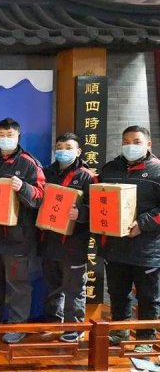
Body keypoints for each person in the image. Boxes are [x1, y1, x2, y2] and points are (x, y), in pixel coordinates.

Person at [0, 117, 45, 344]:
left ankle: (17, 325)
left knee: (18, 284)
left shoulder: (29, 163)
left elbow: (40, 197)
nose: (5, 139)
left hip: (18, 238)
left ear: (18, 136)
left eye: (10, 135)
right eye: (2, 135)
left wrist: (23, 187)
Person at [98, 126, 160, 353]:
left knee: (148, 296)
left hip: (147, 248)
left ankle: (145, 337)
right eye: (126, 141)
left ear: (148, 144)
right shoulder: (110, 169)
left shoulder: (157, 171)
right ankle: (120, 329)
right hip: (115, 246)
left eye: (136, 141)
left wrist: (143, 224)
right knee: (118, 292)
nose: (130, 146)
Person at [40, 133, 96, 343]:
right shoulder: (47, 173)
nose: (63, 151)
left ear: (78, 151)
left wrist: (81, 213)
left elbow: (98, 207)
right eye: (60, 147)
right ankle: (54, 321)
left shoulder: (87, 176)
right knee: (52, 285)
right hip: (49, 239)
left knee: (74, 288)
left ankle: (74, 326)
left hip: (74, 243)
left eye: (68, 147)